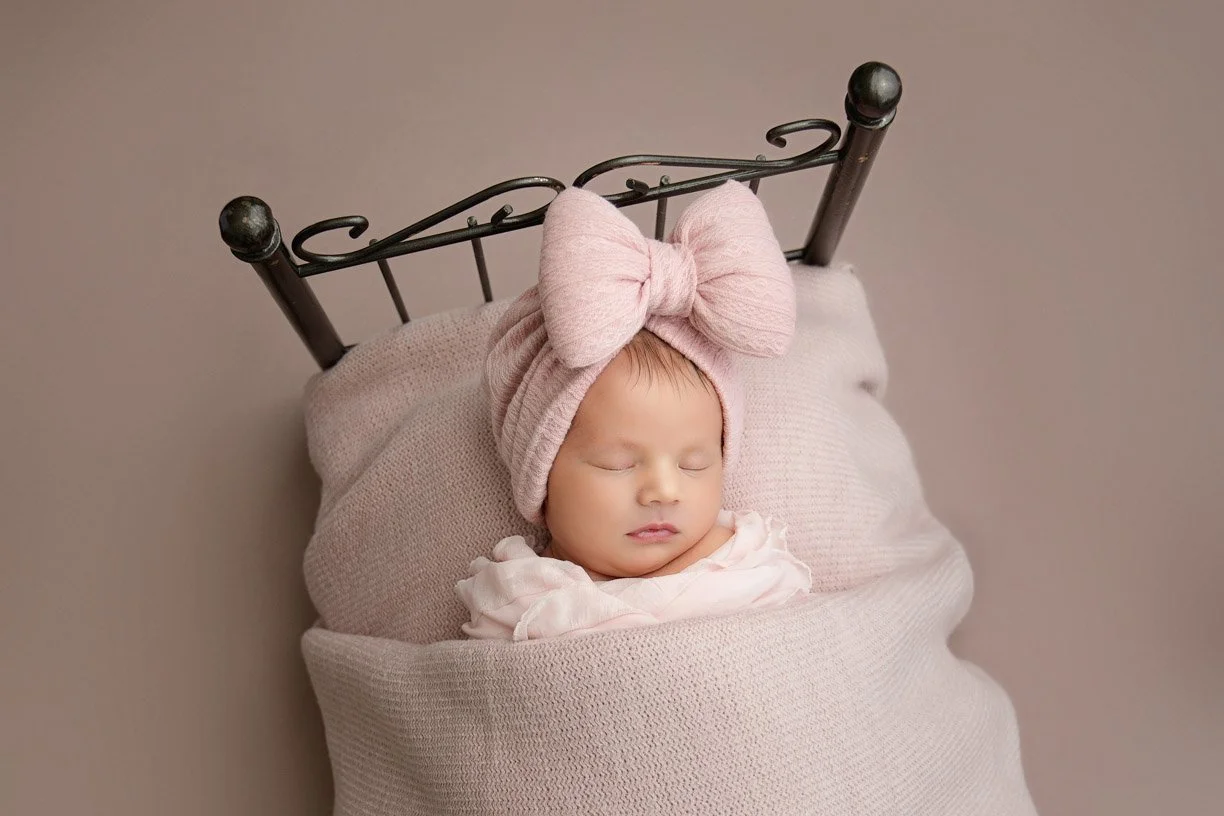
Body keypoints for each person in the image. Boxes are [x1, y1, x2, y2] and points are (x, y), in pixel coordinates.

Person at [456, 180, 811, 641]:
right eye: (617, 464)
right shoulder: (521, 601)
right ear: (538, 477)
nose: (663, 491)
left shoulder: (752, 566)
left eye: (694, 463)